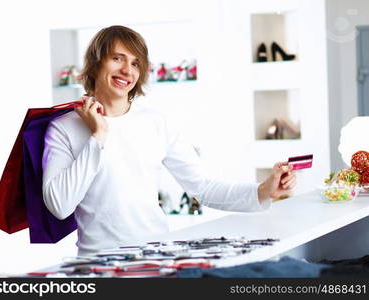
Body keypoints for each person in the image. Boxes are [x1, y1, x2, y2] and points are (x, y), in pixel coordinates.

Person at [42, 25, 296, 256]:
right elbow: (59, 205)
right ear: (96, 63)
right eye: (117, 58)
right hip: (98, 262)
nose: (126, 70)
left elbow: (203, 187)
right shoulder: (64, 128)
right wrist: (97, 136)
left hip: (156, 255)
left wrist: (263, 190)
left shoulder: (155, 122)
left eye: (135, 63)